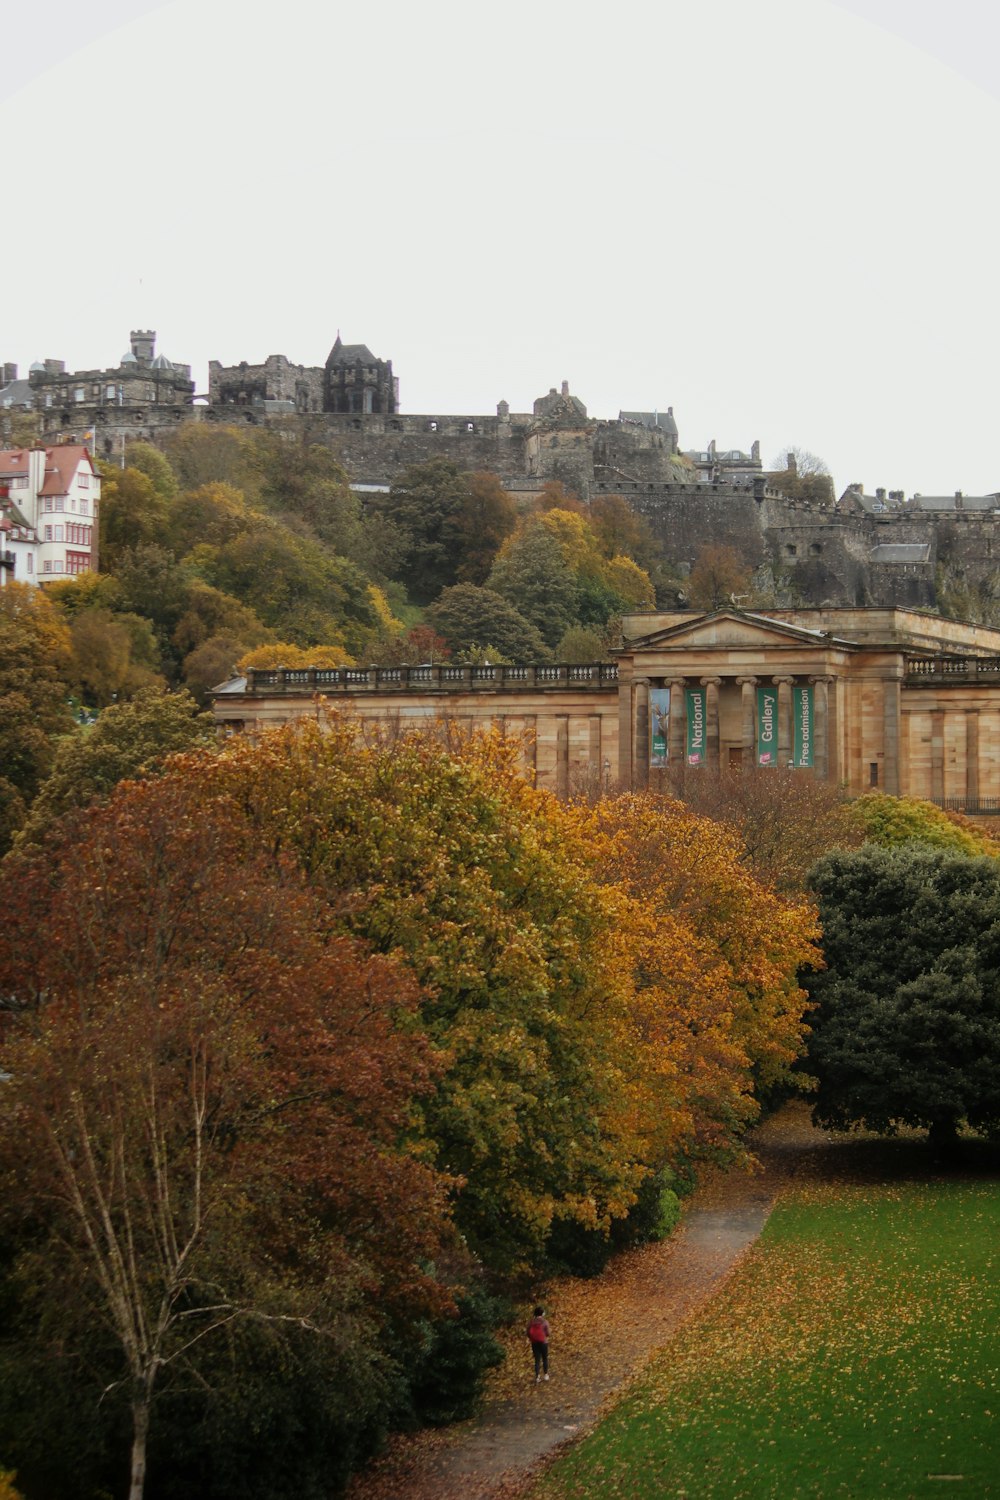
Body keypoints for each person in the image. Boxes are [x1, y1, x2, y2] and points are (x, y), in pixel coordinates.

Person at [527, 1305, 551, 1383]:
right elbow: (548, 1333)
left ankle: (537, 1376)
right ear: (542, 1313)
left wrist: (532, 1338)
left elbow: (528, 1332)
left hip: (534, 1343)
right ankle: (546, 1375)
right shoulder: (545, 1322)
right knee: (545, 1358)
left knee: (537, 1360)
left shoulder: (531, 1322)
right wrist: (544, 1335)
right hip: (543, 1342)